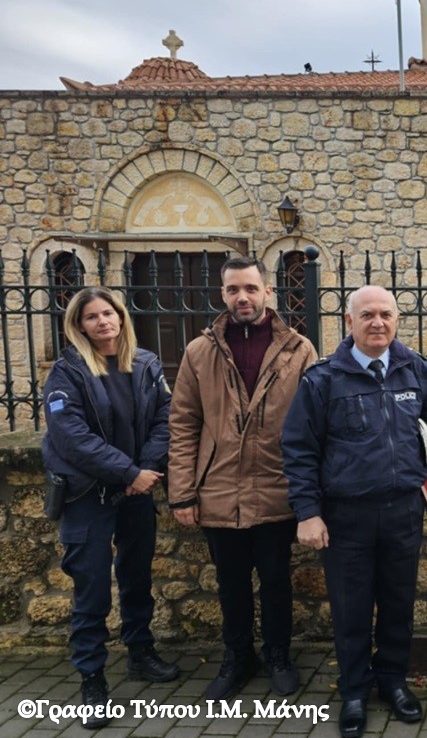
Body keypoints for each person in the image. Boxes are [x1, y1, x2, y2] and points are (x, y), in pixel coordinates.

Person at [282, 285, 427, 738]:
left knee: (399, 603)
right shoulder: (322, 380)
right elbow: (299, 449)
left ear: (396, 319)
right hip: (346, 517)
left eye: (385, 314)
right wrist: (307, 512)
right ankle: (355, 691)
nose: (377, 323)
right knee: (351, 608)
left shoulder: (415, 369)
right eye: (367, 315)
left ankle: (393, 682)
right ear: (349, 322)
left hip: (404, 509)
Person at [168, 256, 317, 700]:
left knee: (275, 581)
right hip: (217, 491)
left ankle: (278, 655)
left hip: (277, 487)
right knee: (230, 584)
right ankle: (237, 657)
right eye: (233, 290)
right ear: (223, 294)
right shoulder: (200, 352)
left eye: (250, 288)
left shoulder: (299, 349)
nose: (242, 297)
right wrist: (182, 494)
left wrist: (312, 497)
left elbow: (314, 426)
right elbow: (182, 424)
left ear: (267, 292)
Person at [42, 287, 179, 730]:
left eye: (109, 313)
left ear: (121, 316)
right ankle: (92, 679)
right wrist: (128, 471)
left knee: (137, 578)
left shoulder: (146, 363)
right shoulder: (66, 373)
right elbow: (73, 439)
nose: (103, 322)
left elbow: (166, 417)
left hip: (136, 491)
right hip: (88, 497)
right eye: (92, 317)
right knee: (92, 590)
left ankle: (140, 653)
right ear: (78, 325)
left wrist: (147, 468)